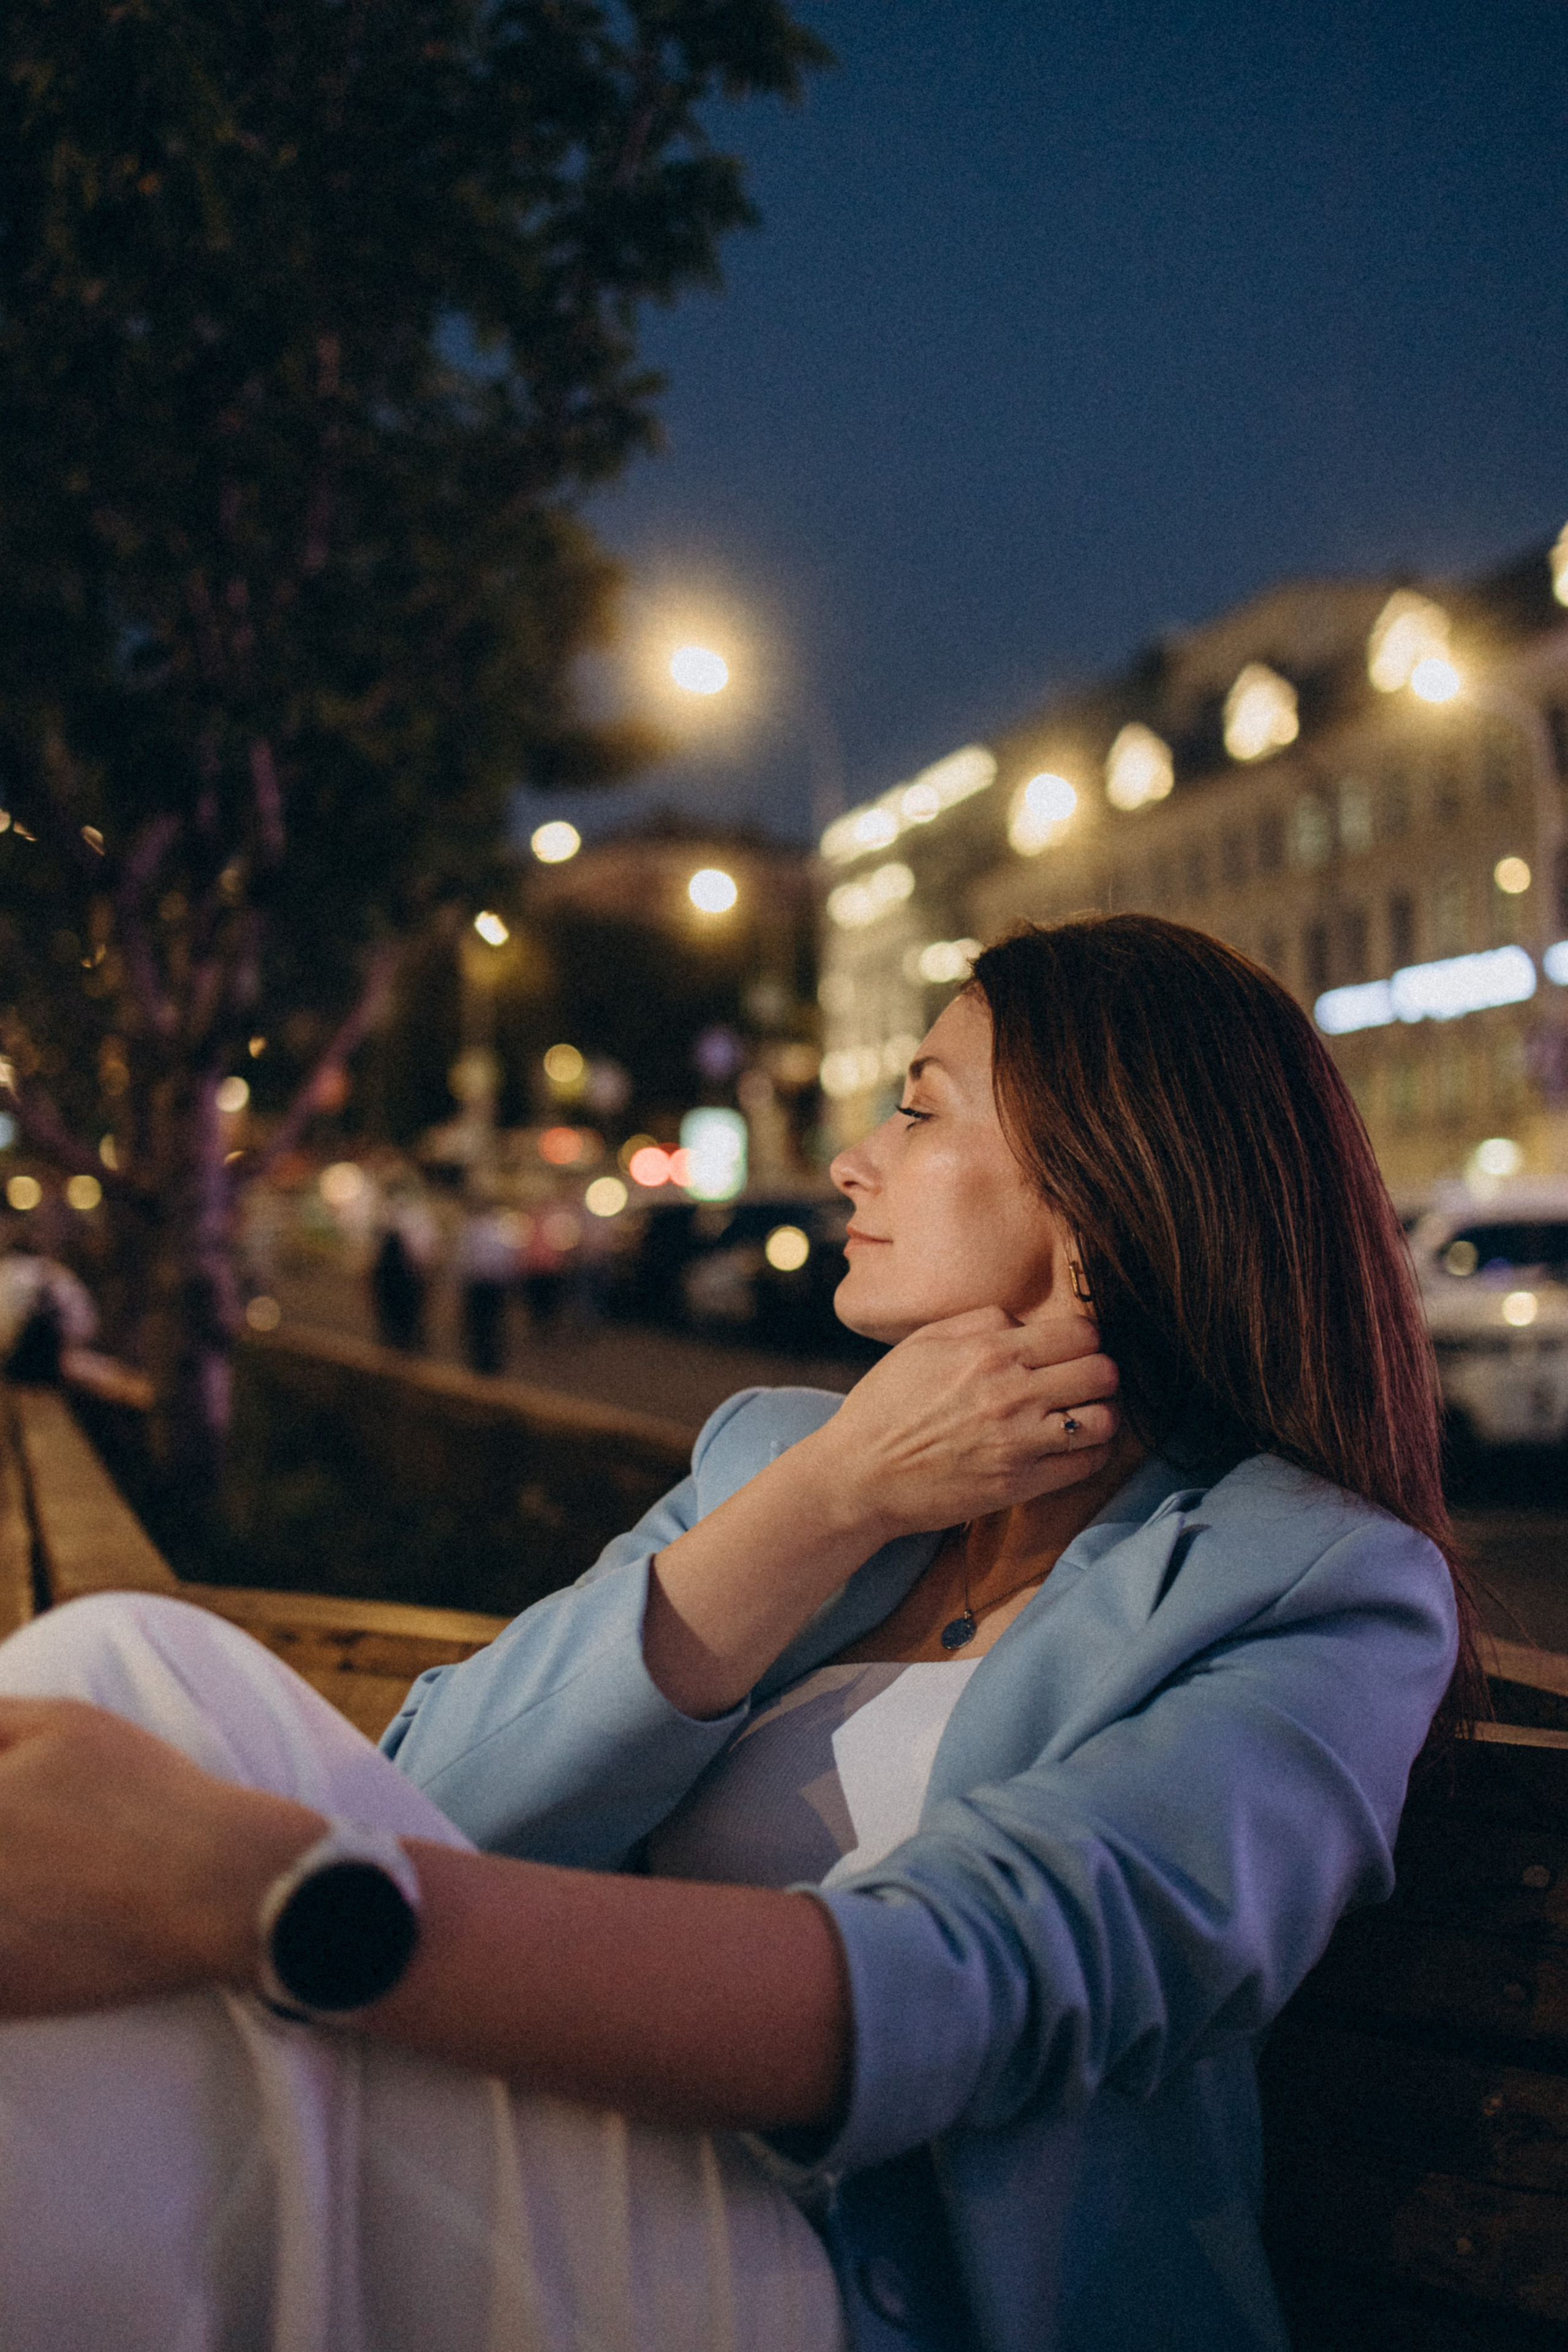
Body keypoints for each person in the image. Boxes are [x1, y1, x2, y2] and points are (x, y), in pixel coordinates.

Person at [0, 916, 1471, 2352]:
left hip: (862, 2289)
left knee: (130, 1691)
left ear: (1105, 1181)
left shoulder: (1315, 1585)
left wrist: (261, 1893)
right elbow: (428, 1807)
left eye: (917, 1109)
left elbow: (986, 1981)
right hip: (587, 2182)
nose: (852, 1161)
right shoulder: (775, 1461)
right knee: (121, 1687)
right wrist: (829, 1499)